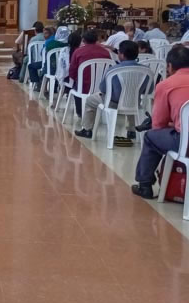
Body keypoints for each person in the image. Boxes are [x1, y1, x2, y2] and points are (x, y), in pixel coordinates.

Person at [131, 46, 189, 199]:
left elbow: (158, 124)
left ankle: (145, 184)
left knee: (151, 137)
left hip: (185, 143)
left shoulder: (166, 85)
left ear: (169, 65)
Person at [75, 40, 148, 142]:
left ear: (122, 55)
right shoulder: (146, 70)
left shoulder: (113, 70)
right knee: (131, 98)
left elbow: (103, 88)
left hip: (113, 104)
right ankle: (132, 130)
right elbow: (149, 90)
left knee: (90, 100)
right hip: (135, 103)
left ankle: (87, 129)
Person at [68, 29, 112, 116]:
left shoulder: (78, 52)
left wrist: (74, 80)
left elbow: (72, 70)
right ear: (96, 40)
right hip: (101, 86)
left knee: (75, 86)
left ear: (83, 40)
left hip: (83, 86)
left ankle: (80, 112)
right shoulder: (106, 52)